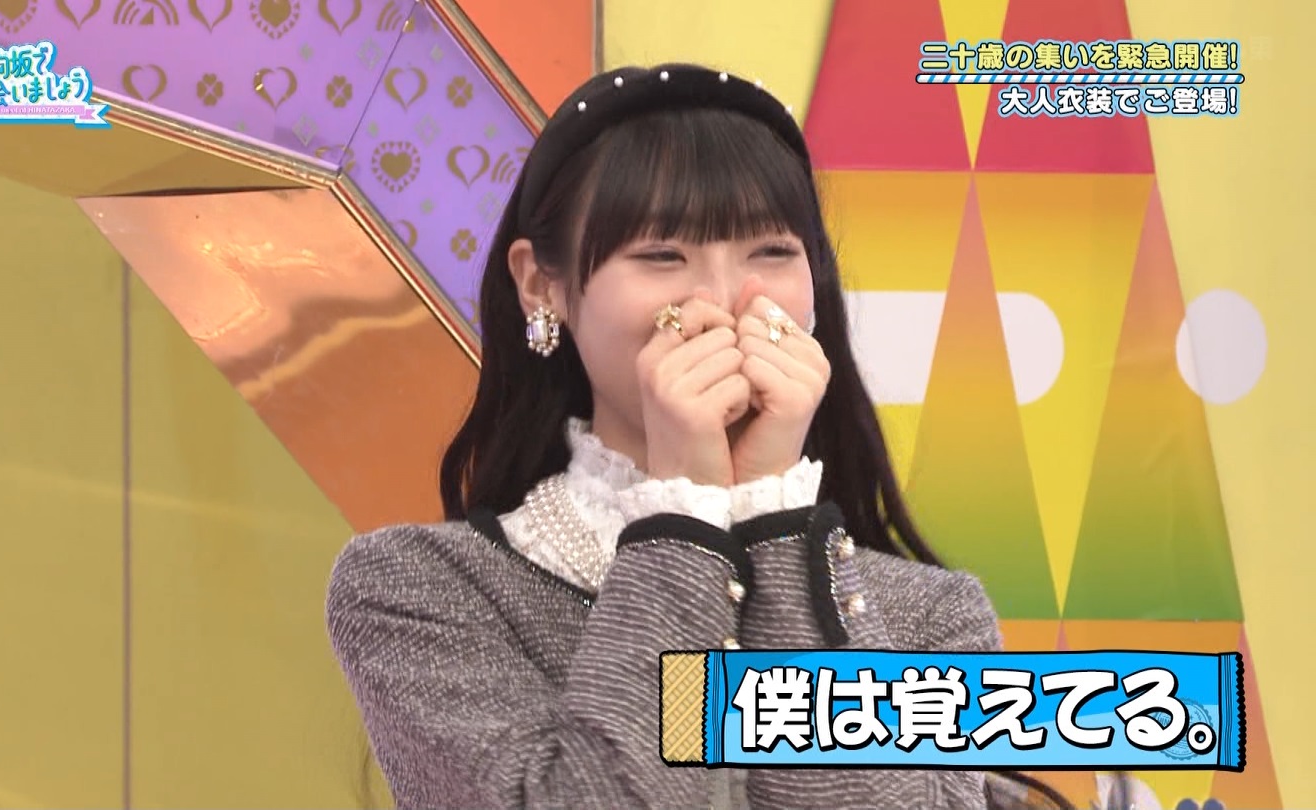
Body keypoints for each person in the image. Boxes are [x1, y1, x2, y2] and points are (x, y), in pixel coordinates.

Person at [326, 63, 1084, 809]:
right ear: (540, 284)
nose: (722, 302)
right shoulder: (419, 588)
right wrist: (683, 510)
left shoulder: (928, 618)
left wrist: (771, 513)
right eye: (662, 255)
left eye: (772, 253)